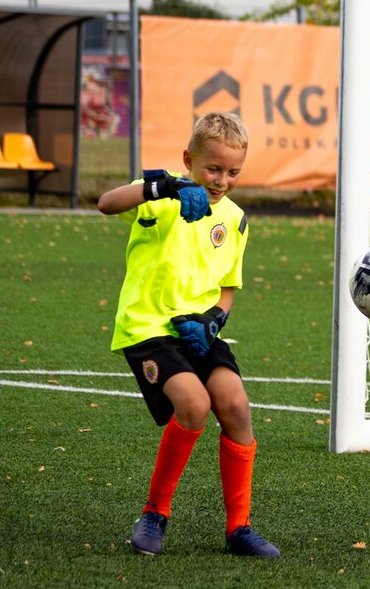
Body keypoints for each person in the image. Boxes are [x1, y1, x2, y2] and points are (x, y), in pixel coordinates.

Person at [97, 112, 279, 559]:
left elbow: (227, 289)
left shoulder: (235, 219)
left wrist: (214, 321)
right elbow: (106, 202)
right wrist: (162, 187)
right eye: (213, 168)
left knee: (235, 406)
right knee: (194, 405)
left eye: (233, 172)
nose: (222, 180)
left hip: (196, 329)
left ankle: (239, 528)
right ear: (188, 160)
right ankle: (154, 514)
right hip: (147, 328)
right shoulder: (160, 197)